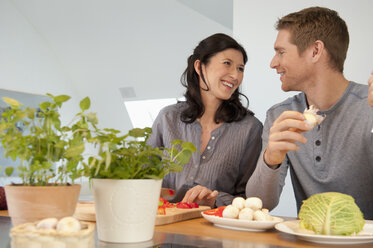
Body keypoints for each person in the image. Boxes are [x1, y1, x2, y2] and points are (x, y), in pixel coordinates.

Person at [245, 6, 373, 220]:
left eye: (281, 52)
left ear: (315, 51)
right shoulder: (280, 115)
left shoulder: (369, 106)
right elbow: (259, 204)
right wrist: (271, 159)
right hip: (307, 239)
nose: (273, 63)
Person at [148, 33, 263, 208]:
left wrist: (214, 200)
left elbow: (249, 199)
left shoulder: (250, 128)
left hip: (215, 229)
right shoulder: (167, 118)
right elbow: (142, 180)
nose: (235, 75)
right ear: (200, 66)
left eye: (240, 69)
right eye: (227, 64)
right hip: (164, 224)